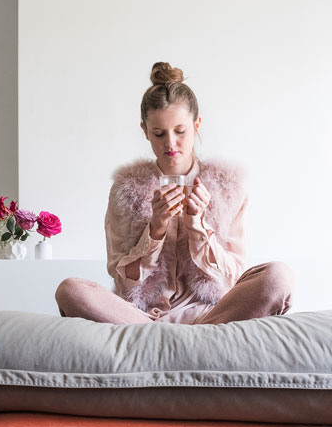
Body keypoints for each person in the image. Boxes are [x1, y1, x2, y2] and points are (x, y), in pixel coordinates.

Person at [55, 62, 294, 324]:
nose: (170, 143)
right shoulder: (126, 188)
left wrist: (198, 227)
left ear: (197, 125)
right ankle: (163, 334)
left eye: (180, 131)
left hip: (211, 312)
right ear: (145, 131)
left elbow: (232, 278)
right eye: (159, 134)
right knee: (70, 290)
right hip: (141, 315)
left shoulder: (228, 186)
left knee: (278, 277)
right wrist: (155, 230)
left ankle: (190, 333)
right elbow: (124, 286)